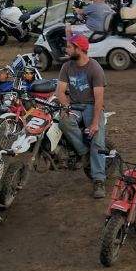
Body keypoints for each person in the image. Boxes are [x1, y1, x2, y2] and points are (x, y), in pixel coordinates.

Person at [56, 33, 109, 199]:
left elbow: (99, 99)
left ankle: (99, 180)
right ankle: (83, 152)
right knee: (63, 121)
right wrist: (66, 108)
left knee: (97, 139)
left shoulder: (95, 68)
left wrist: (94, 123)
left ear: (79, 49)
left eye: (70, 47)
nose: (67, 49)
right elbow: (60, 92)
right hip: (74, 106)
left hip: (92, 106)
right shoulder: (66, 66)